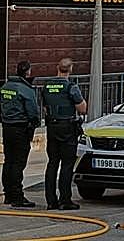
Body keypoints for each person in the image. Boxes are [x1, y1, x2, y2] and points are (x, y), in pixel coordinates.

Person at [42, 58, 88, 210]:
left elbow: (45, 107)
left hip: (52, 127)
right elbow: (82, 108)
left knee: (52, 163)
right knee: (67, 165)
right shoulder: (71, 87)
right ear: (71, 69)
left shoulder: (47, 86)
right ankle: (65, 200)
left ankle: (51, 200)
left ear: (57, 67)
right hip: (67, 127)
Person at [0, 61, 40, 208]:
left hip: (7, 128)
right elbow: (33, 112)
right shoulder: (25, 90)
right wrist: (34, 125)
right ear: (28, 72)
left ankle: (8, 194)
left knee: (8, 161)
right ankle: (17, 196)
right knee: (18, 163)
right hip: (20, 129)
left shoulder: (6, 86)